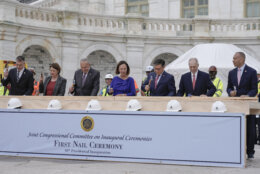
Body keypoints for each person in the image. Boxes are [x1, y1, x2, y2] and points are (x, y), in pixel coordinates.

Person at [227, 52, 258, 158]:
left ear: (242, 59)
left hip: (247, 104)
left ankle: (250, 151)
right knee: (236, 128)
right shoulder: (231, 73)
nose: (233, 60)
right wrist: (230, 92)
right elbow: (228, 87)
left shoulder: (252, 72)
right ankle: (236, 149)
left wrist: (248, 95)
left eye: (235, 58)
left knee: (249, 128)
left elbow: (254, 89)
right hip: (235, 105)